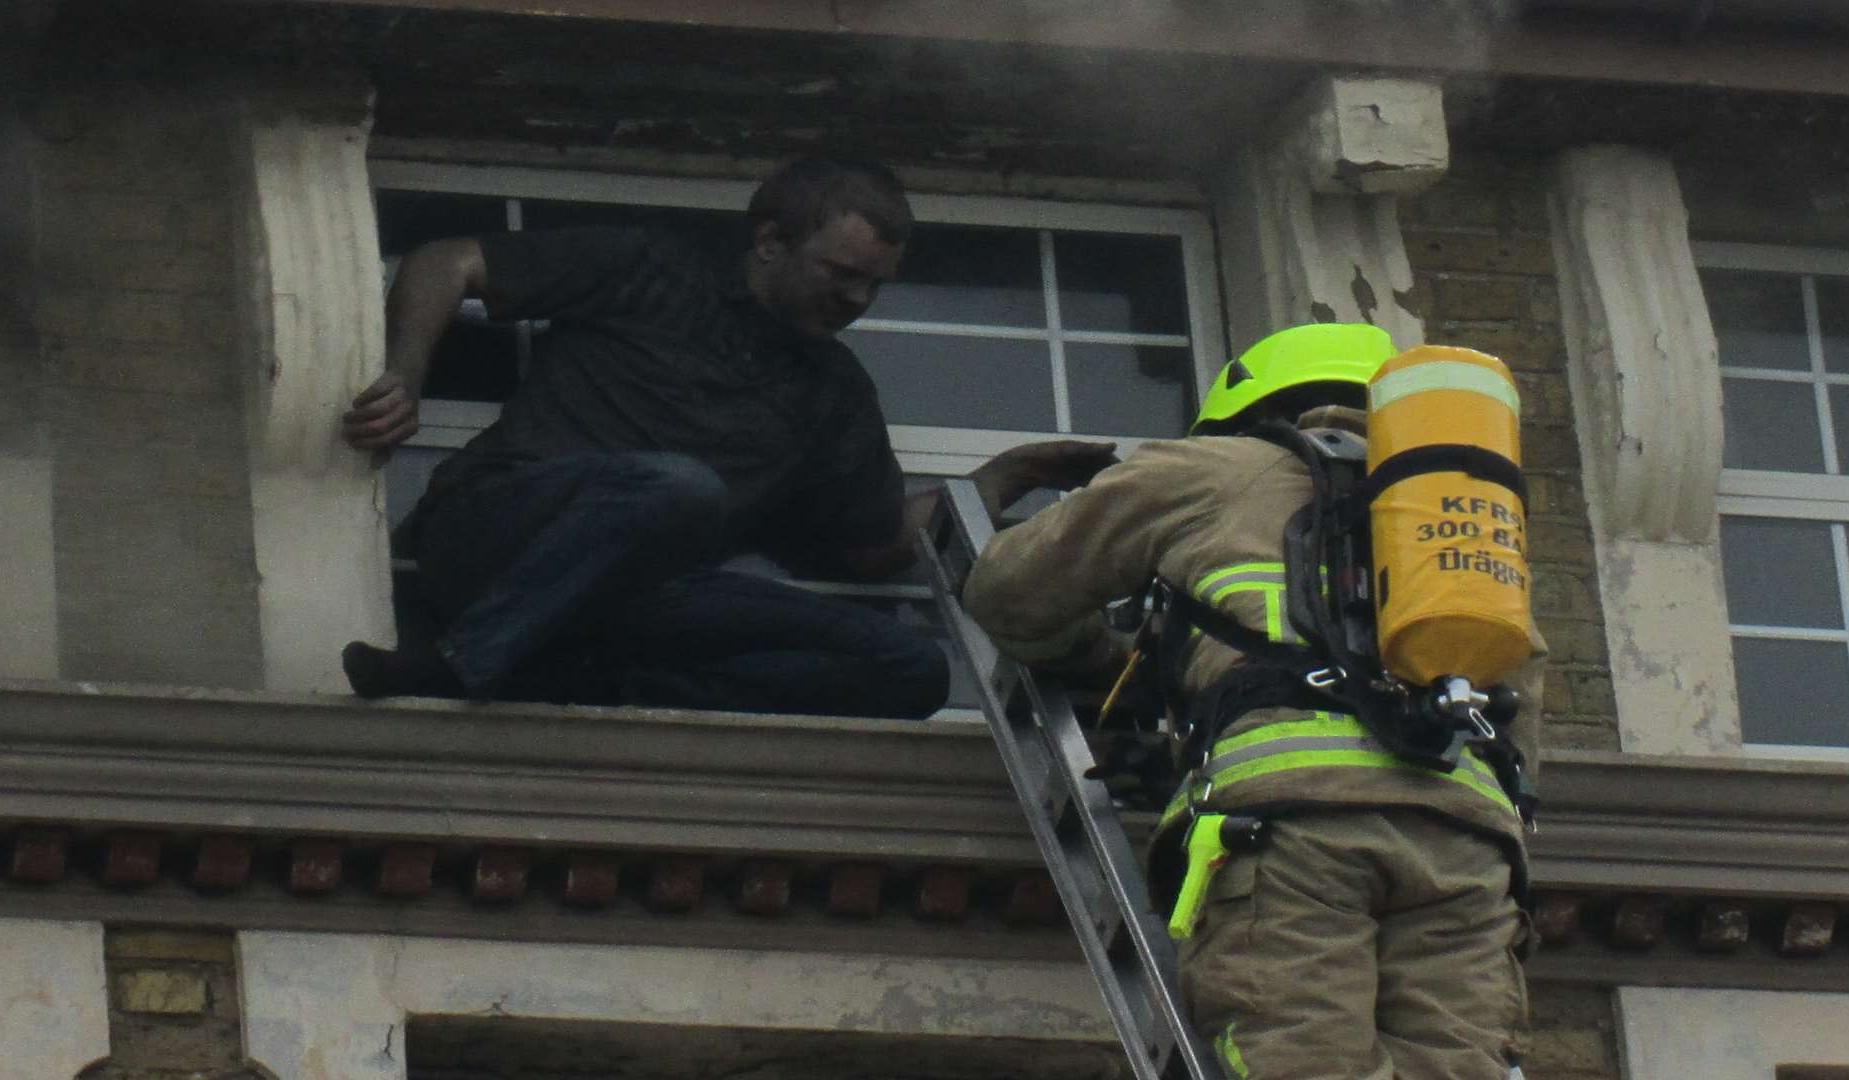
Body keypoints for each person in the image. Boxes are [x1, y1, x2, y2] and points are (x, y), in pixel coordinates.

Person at [962, 323, 1542, 1079]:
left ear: (1247, 412)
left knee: (1303, 1059)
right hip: (1468, 850)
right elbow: (1522, 716)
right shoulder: (1467, 524)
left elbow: (1009, 594)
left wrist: (1105, 665)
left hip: (1291, 831)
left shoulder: (1207, 471)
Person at [340, 157, 1114, 717]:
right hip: (494, 532)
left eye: (875, 284)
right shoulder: (649, 270)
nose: (858, 299)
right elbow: (450, 261)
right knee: (679, 489)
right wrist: (406, 375)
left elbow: (876, 547)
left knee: (908, 666)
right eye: (841, 273)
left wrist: (1005, 476)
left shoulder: (831, 390)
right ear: (772, 242)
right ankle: (462, 661)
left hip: (632, 604)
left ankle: (567, 683)